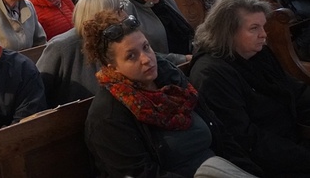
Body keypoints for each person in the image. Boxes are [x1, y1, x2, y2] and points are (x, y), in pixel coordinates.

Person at [83, 10, 261, 178]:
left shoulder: (171, 80)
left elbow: (221, 134)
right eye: (131, 56)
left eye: (146, 47)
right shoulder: (108, 116)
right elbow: (141, 174)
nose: (146, 59)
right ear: (111, 67)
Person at [190, 0, 310, 176]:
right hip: (265, 161)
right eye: (254, 28)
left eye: (263, 26)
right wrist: (303, 156)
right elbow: (245, 139)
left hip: (291, 140)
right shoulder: (211, 74)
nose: (263, 34)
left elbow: (294, 89)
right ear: (228, 32)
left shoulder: (258, 52)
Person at [36, 0, 121, 106]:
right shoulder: (62, 46)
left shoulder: (119, 40)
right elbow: (38, 89)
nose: (126, 15)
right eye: (119, 10)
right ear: (101, 14)